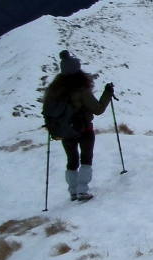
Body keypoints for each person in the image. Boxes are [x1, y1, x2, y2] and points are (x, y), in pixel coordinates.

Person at [43, 51, 114, 201]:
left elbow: (48, 111)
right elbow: (98, 109)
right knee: (86, 158)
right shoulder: (82, 91)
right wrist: (107, 93)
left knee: (72, 160)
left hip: (65, 131)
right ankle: (83, 190)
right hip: (84, 129)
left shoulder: (54, 91)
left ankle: (73, 191)